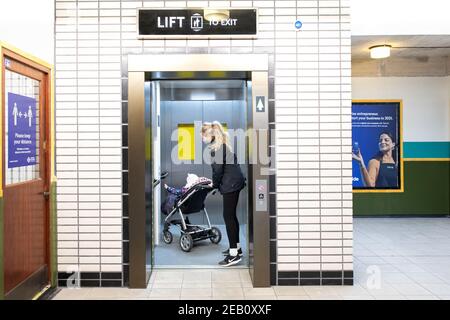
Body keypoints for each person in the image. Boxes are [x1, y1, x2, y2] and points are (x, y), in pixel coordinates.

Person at [201, 121, 246, 267]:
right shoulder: (223, 146)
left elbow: (218, 171)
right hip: (235, 183)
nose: (202, 137)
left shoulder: (217, 149)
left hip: (231, 184)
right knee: (231, 216)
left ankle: (234, 255)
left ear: (210, 135)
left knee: (228, 217)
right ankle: (236, 248)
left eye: (203, 134)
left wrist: (213, 185)